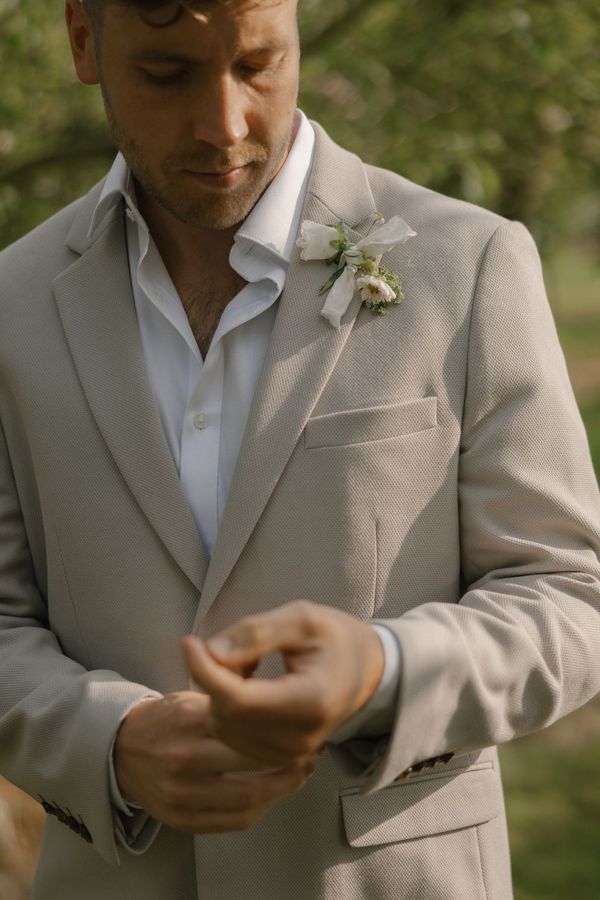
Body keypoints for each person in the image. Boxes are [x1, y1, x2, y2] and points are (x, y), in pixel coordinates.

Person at [0, 0, 599, 897]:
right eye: (167, 73)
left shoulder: (469, 261)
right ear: (84, 40)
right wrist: (109, 741)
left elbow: (570, 594)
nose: (224, 125)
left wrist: (385, 672)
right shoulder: (12, 303)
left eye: (259, 65)